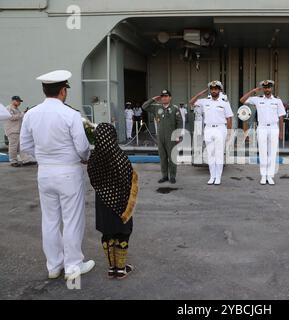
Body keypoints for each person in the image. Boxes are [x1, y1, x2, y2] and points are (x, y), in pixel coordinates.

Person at [20, 70, 95, 280]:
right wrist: (84, 157)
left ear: (45, 90)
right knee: (72, 219)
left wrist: (45, 158)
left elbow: (25, 145)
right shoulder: (70, 114)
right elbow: (82, 147)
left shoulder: (31, 114)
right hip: (69, 172)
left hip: (44, 172)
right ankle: (73, 266)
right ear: (63, 91)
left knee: (50, 219)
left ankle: (53, 265)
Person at [87, 123, 138, 280]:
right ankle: (121, 269)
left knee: (107, 233)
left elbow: (92, 178)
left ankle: (112, 268)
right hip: (121, 203)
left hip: (103, 202)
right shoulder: (119, 156)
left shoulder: (94, 158)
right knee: (122, 232)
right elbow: (130, 178)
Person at [240, 80, 286, 185]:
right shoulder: (257, 99)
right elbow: (242, 100)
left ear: (272, 88)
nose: (267, 89)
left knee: (272, 153)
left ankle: (270, 176)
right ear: (263, 89)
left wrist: (281, 132)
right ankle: (263, 175)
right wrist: (253, 91)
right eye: (265, 88)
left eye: (269, 87)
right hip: (262, 128)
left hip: (274, 128)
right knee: (262, 152)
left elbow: (281, 117)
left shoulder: (277, 101)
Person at [190, 81, 234, 185]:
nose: (214, 91)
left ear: (219, 90)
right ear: (210, 90)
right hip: (208, 129)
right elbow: (191, 102)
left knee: (219, 154)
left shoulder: (224, 103)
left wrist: (229, 133)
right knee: (210, 154)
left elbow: (229, 118)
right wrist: (200, 93)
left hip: (220, 129)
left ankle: (218, 177)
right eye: (212, 89)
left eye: (216, 89)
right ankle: (212, 176)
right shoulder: (205, 101)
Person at [142, 90, 182, 184]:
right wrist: (153, 99)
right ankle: (164, 176)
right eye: (162, 96)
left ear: (170, 97)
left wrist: (178, 136)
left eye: (166, 96)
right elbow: (144, 106)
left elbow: (179, 123)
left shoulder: (175, 108)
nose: (164, 98)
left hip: (171, 137)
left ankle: (172, 176)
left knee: (172, 157)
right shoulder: (157, 108)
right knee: (162, 157)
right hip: (160, 137)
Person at [4, 96, 36, 167]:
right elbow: (11, 117)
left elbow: (19, 116)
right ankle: (13, 161)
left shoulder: (17, 109)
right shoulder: (8, 108)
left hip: (18, 130)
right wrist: (22, 114)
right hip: (12, 131)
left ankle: (26, 160)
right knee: (13, 147)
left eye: (19, 102)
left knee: (21, 146)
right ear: (13, 101)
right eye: (18, 101)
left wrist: (24, 113)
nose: (19, 103)